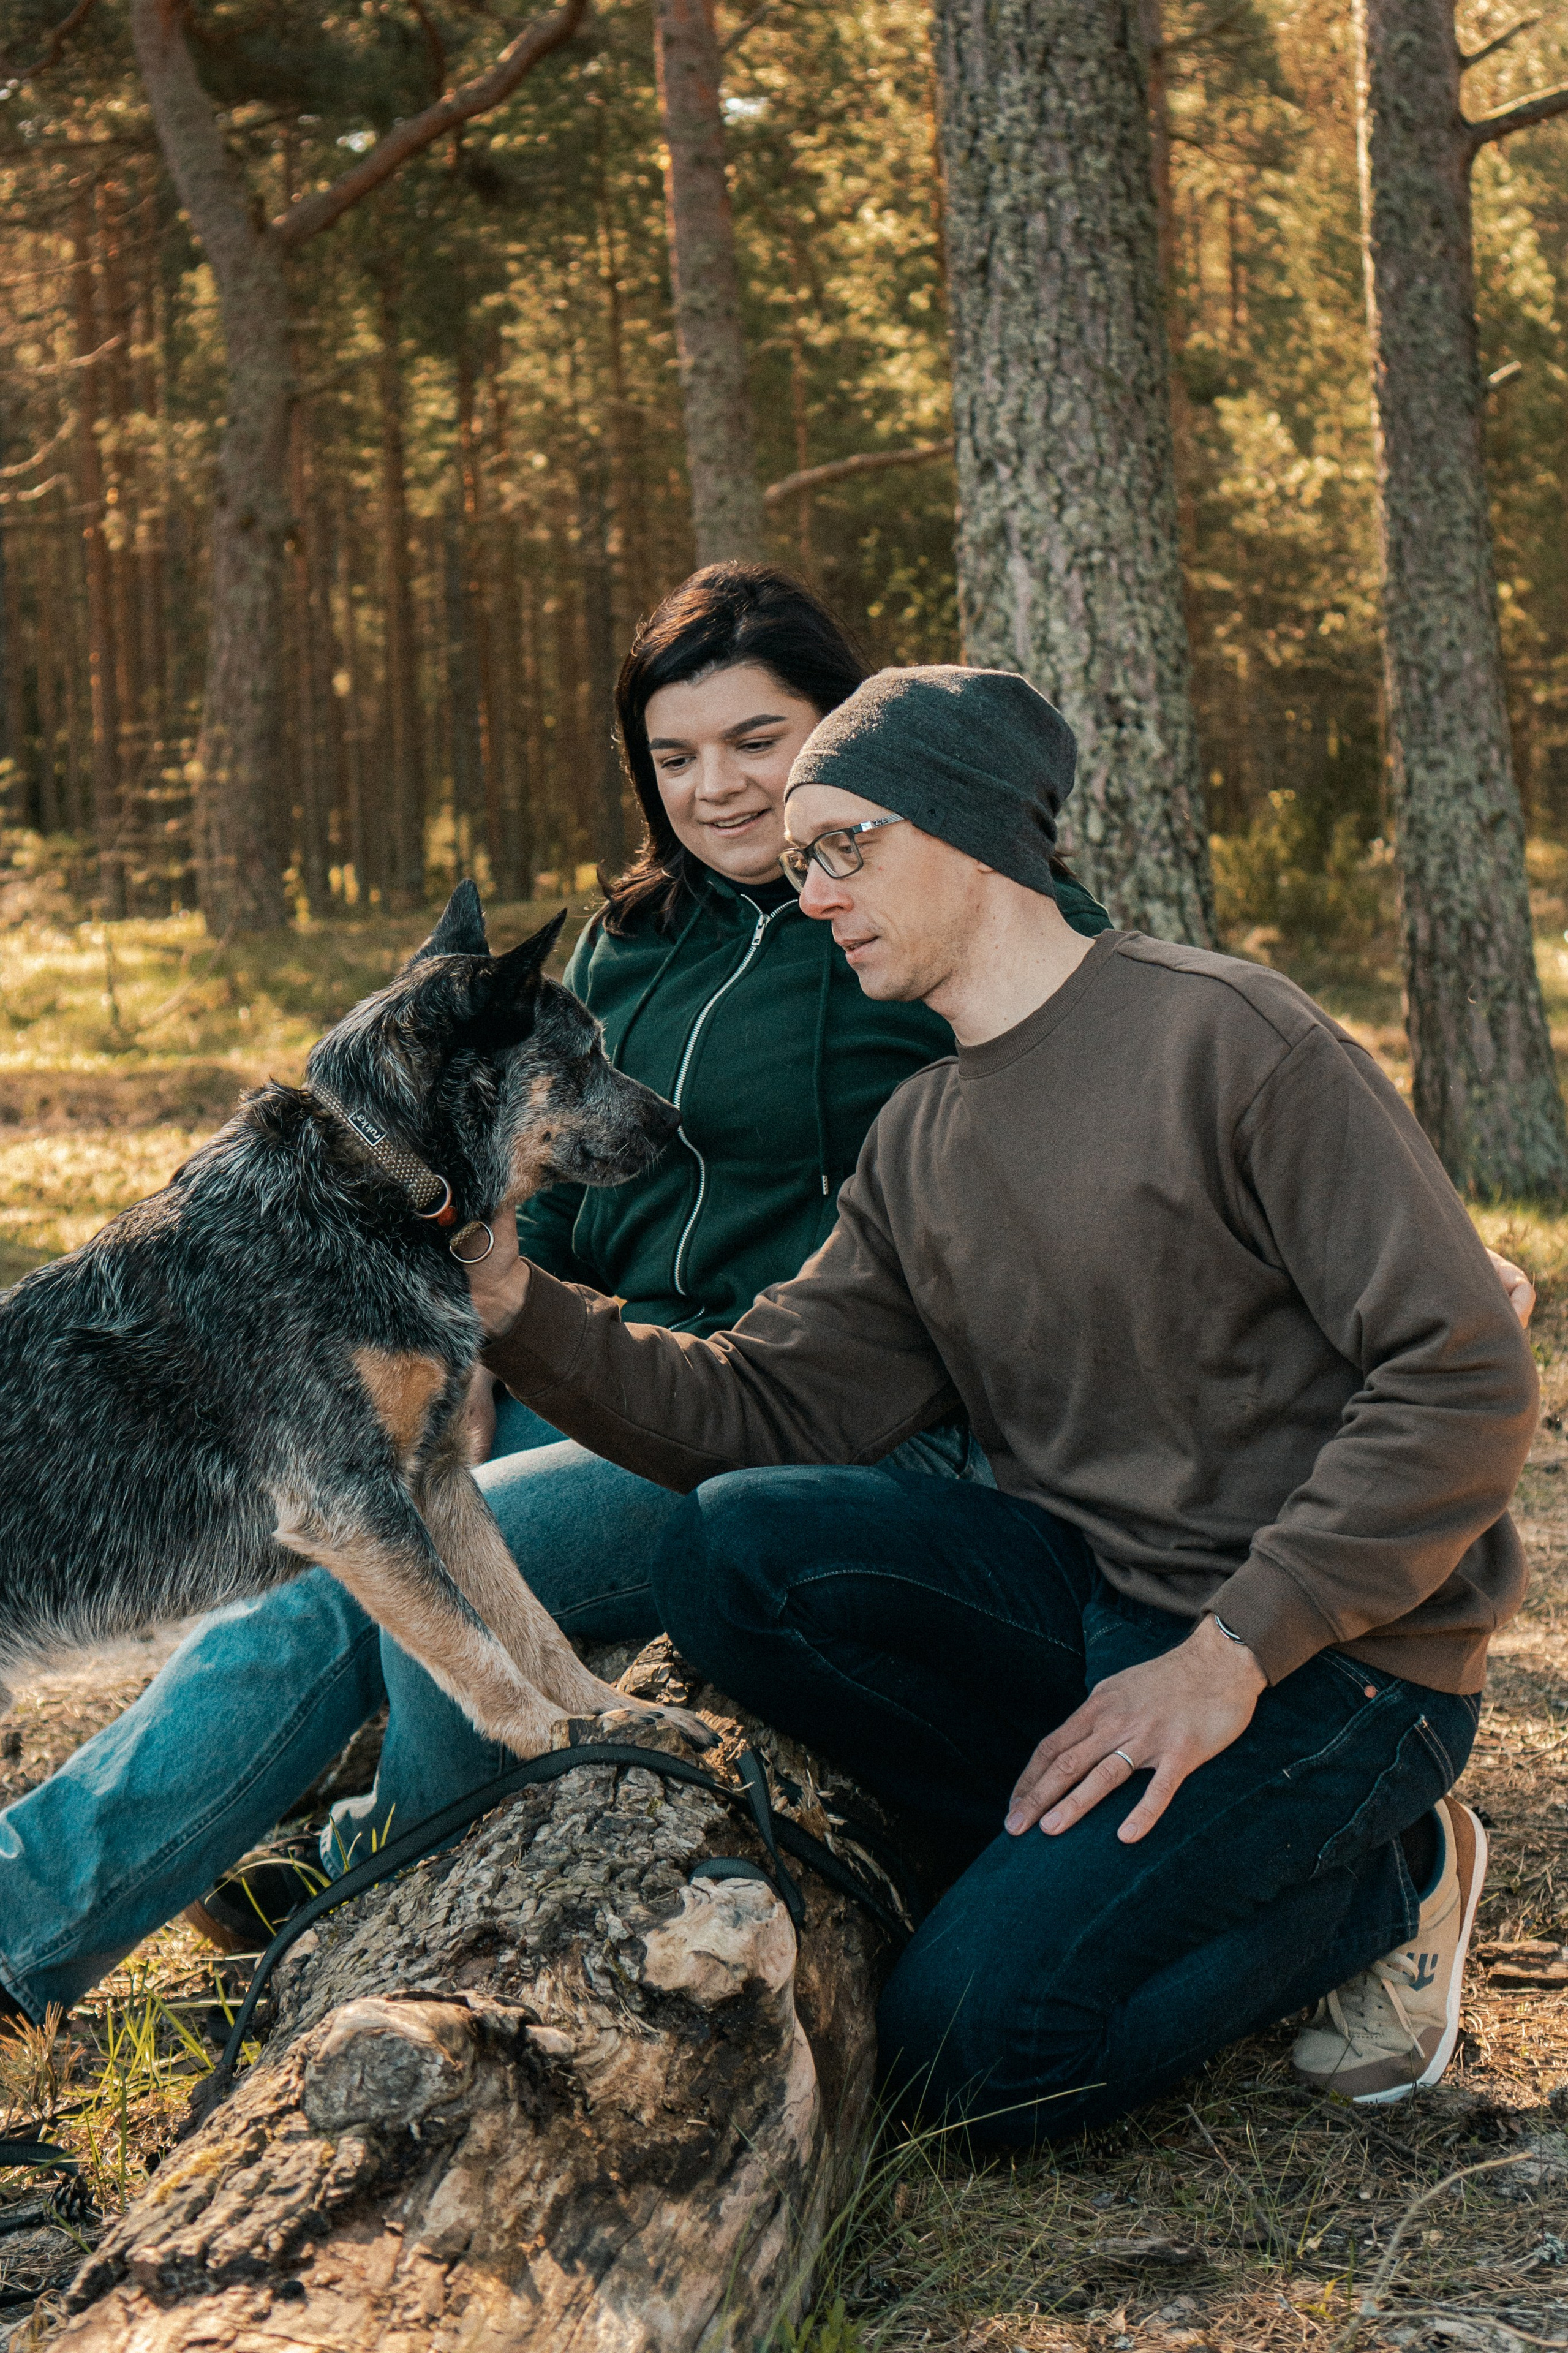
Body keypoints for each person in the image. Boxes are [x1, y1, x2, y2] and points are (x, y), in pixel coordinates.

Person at [0, 570, 1114, 2023]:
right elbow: (525, 1203)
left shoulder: (949, 910)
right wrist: (468, 1363)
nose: (716, 789)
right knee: (333, 1546)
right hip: (595, 1381)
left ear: (841, 733)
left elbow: (1122, 1114)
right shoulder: (628, 941)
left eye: (757, 740)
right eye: (674, 755)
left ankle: (299, 1900)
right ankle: (326, 1868)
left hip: (817, 1426)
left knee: (372, 1577)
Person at [469, 662, 1540, 2130]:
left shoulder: (1230, 1039)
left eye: (843, 846)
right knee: (733, 1546)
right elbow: (762, 1407)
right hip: (1091, 1603)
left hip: (1336, 1660)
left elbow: (1464, 1371)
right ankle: (1074, 1856)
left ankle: (1383, 1877)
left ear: (963, 827)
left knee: (969, 2056)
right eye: (798, 863)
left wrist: (1231, 1649)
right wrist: (516, 1310)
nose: (816, 891)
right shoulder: (924, 1135)